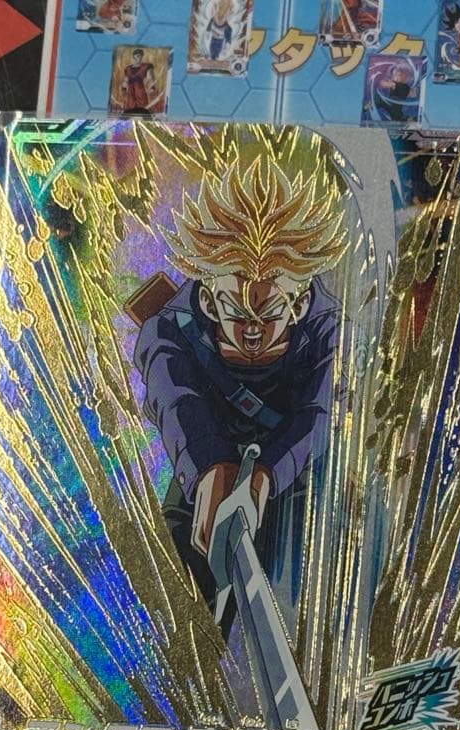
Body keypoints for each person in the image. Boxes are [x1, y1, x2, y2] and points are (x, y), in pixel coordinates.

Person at [133, 155, 348, 625]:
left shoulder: (330, 333)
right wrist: (209, 465)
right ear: (210, 301)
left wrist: (268, 474)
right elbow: (174, 391)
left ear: (298, 304)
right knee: (181, 608)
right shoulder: (173, 328)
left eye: (269, 316)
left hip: (295, 484)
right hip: (205, 476)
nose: (253, 331)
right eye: (237, 313)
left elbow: (318, 413)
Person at [120, 48, 156, 112]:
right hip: (130, 90)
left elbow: (151, 78)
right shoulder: (128, 68)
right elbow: (126, 80)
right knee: (130, 107)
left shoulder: (146, 66)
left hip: (140, 89)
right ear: (134, 57)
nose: (139, 58)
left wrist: (152, 88)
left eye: (141, 56)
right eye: (138, 56)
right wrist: (123, 89)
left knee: (142, 106)